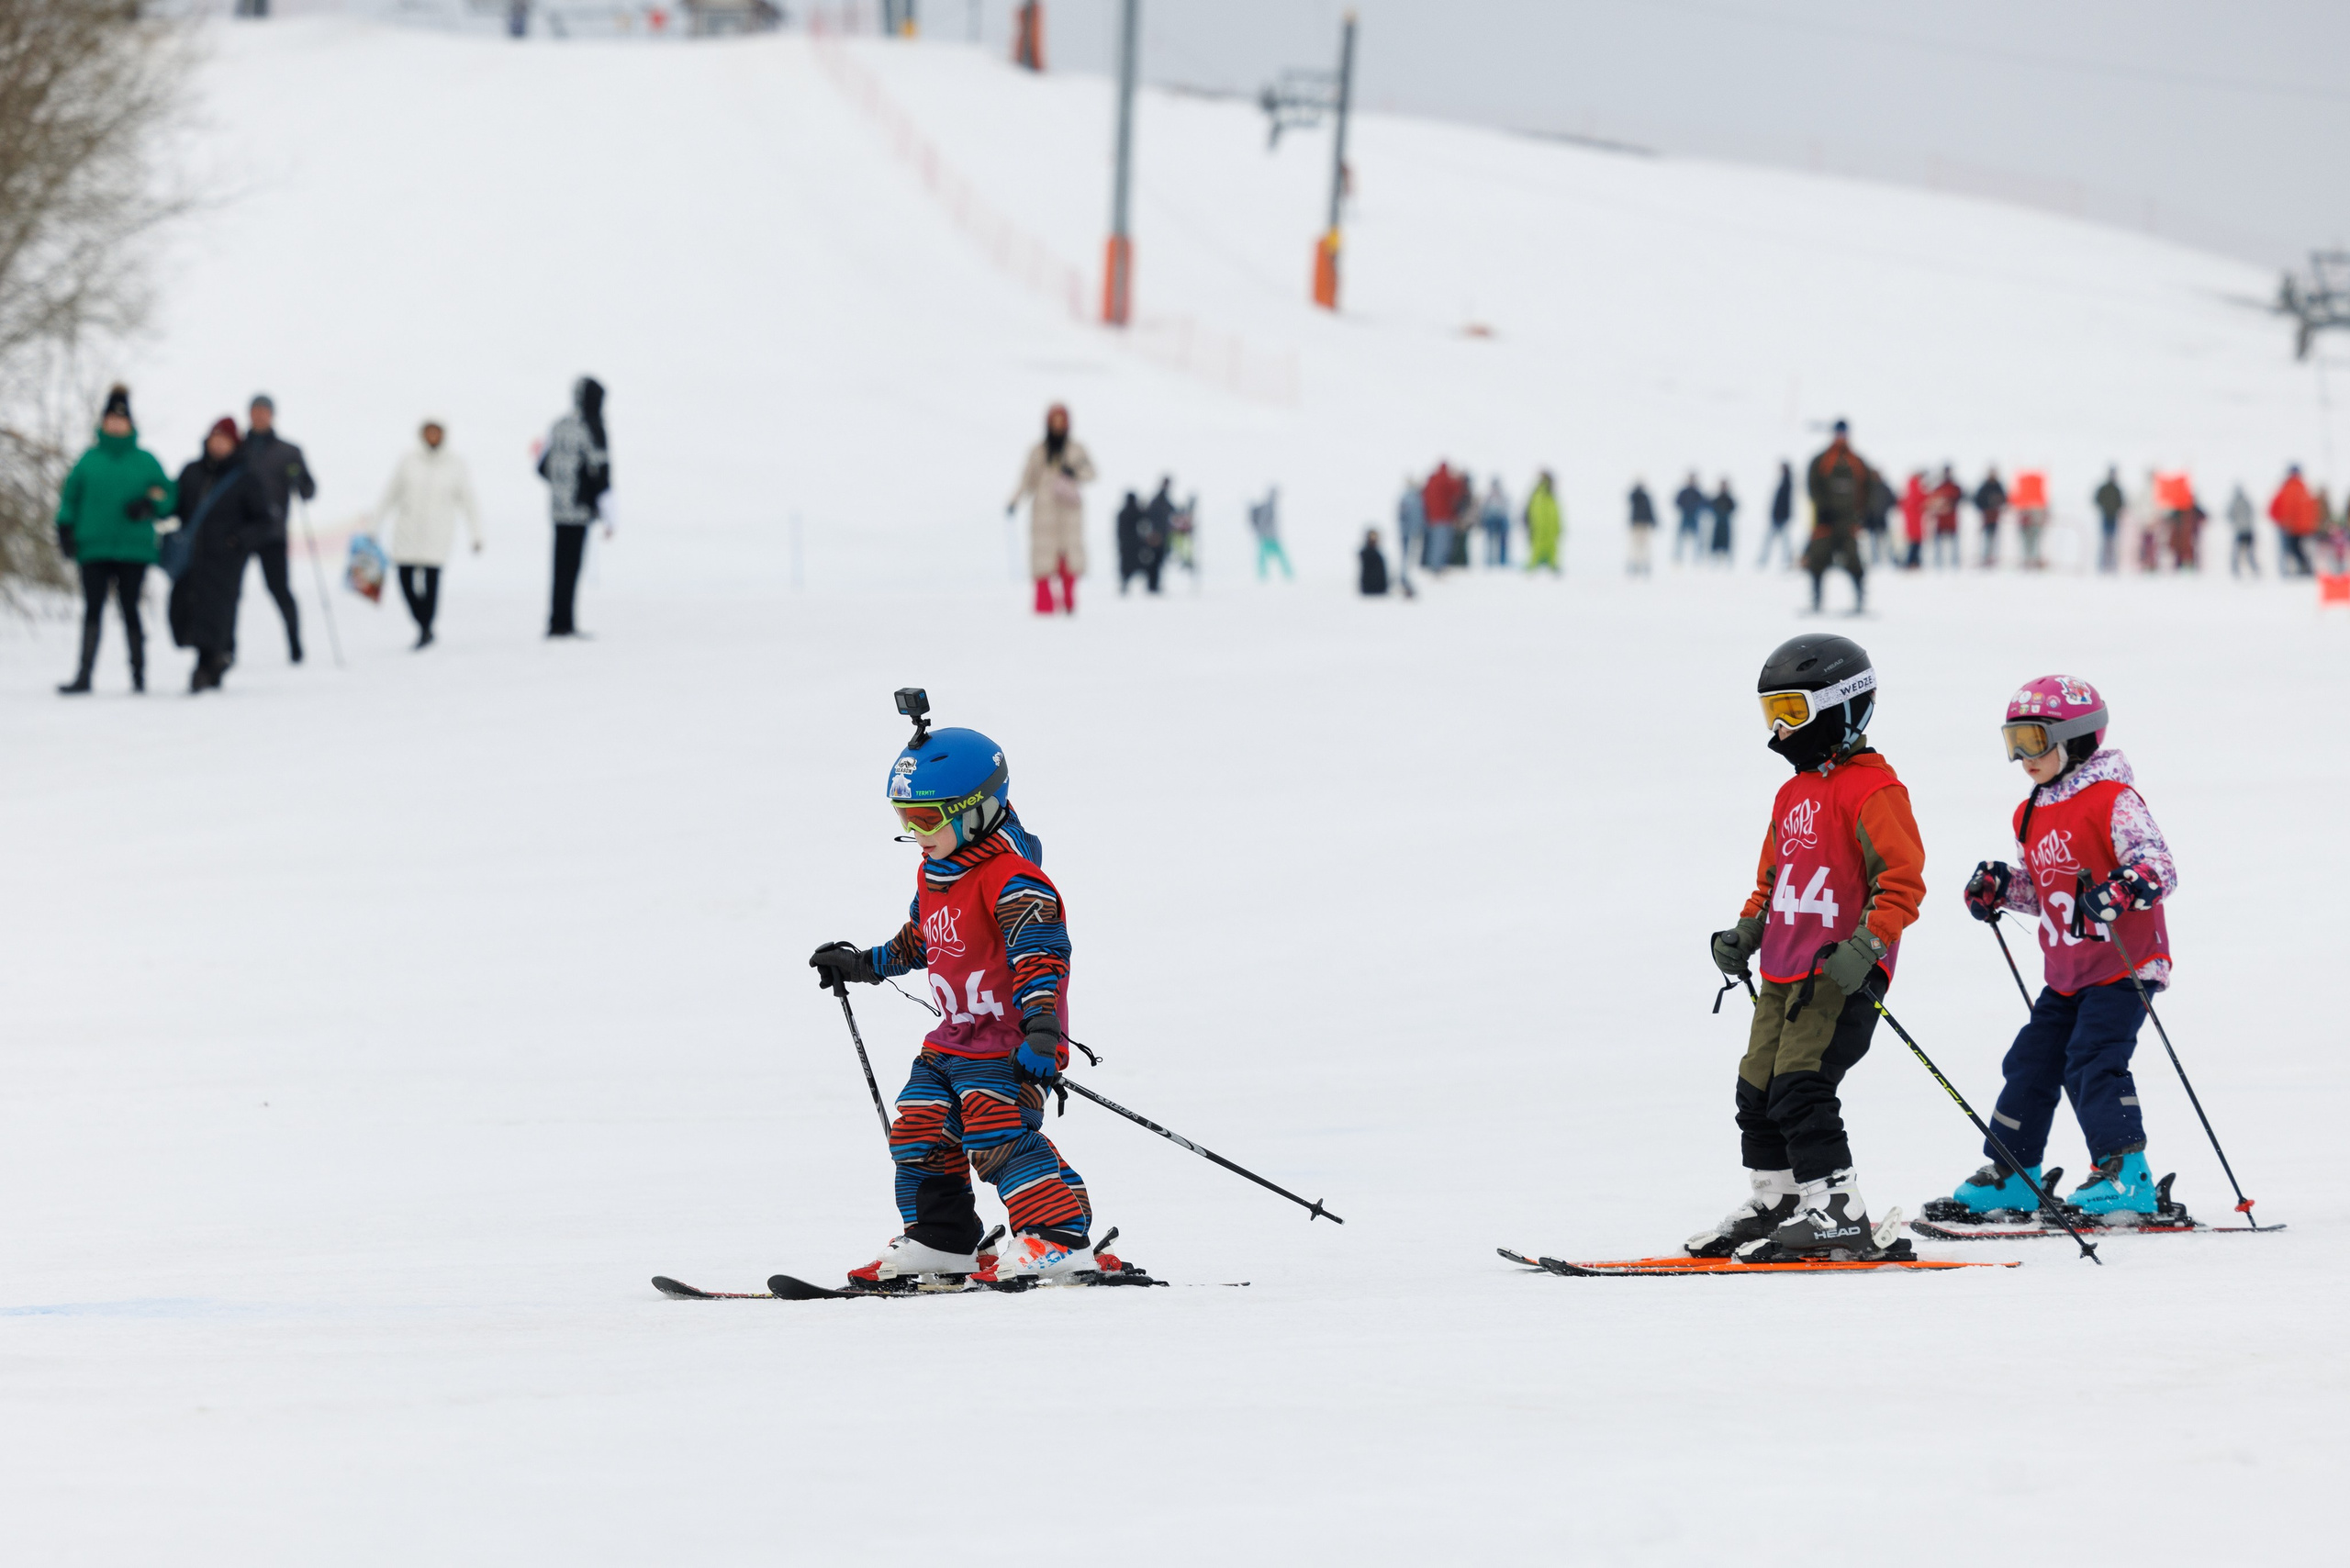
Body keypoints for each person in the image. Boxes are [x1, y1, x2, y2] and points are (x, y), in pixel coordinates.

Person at [808, 708, 1100, 1287]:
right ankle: (941, 1241)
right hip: (951, 1044)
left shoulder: (1013, 880)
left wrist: (1042, 1029)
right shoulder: (935, 874)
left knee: (996, 1135)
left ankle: (1059, 1238)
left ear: (977, 810)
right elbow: (923, 940)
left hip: (1011, 1045)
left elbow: (1041, 955)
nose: (916, 833)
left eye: (926, 817)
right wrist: (863, 965)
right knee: (918, 1129)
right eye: (905, 817)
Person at [1695, 634, 1925, 1260]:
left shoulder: (1874, 791)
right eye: (1771, 712)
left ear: (1842, 705)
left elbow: (1901, 882)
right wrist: (1747, 931)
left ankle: (1840, 1211)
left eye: (1793, 711)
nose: (1779, 728)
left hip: (1838, 973)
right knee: (1757, 1088)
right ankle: (1781, 1198)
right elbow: (1773, 883)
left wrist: (1868, 945)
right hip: (1783, 968)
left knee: (1801, 1086)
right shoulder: (1792, 793)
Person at [1948, 677, 2177, 1220]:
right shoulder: (2029, 812)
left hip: (2124, 965)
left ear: (2075, 739)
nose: (2022, 757)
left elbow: (2160, 866)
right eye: (2013, 742)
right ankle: (2014, 1174)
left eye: (2033, 740)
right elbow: (2045, 890)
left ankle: (2126, 1176)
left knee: (2093, 1060)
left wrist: (2123, 888)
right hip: (2068, 971)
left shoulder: (2114, 800)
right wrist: (2004, 887)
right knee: (2030, 1062)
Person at [55, 385, 174, 695]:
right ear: (103, 423)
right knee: (92, 608)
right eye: (111, 420)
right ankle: (84, 675)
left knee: (130, 607)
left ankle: (138, 675)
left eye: (121, 420)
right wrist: (65, 528)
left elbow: (169, 496)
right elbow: (70, 498)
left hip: (134, 549)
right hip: (93, 547)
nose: (116, 425)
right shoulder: (88, 460)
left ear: (130, 424)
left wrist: (150, 504)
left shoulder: (145, 461)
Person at [167, 416, 273, 693]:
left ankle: (206, 666)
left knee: (217, 611)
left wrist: (238, 540)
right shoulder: (191, 472)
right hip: (191, 558)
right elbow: (174, 505)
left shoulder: (246, 477)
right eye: (215, 439)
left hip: (226, 560)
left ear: (234, 444)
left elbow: (264, 520)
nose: (218, 445)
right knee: (184, 607)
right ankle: (218, 658)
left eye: (224, 440)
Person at [375, 420, 483, 649]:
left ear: (443, 434)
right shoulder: (408, 461)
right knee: (405, 579)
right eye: (428, 432)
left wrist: (477, 534)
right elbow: (389, 494)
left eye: (436, 432)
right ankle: (422, 622)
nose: (432, 436)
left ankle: (426, 628)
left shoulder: (455, 464)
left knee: (431, 582)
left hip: (438, 532)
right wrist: (374, 526)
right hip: (407, 531)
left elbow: (469, 501)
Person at [239, 394, 315, 664]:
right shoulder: (237, 448)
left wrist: (299, 478)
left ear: (272, 415)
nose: (259, 416)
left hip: (273, 532)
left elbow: (308, 491)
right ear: (249, 414)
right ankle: (226, 648)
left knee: (279, 590)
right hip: (239, 533)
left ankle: (295, 645)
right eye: (255, 411)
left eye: (264, 411)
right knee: (230, 592)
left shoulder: (289, 452)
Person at [538, 376, 610, 636]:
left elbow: (542, 466)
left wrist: (561, 487)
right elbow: (601, 471)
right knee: (572, 567)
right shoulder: (592, 427)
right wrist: (599, 505)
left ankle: (557, 621)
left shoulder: (558, 425)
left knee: (559, 567)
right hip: (579, 510)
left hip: (558, 509)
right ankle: (564, 623)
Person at [1007, 403, 1091, 614]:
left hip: (1069, 511)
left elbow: (1090, 472)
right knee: (1043, 560)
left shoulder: (1076, 449)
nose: (1058, 426)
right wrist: (1014, 501)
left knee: (1068, 558)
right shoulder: (1038, 451)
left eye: (1062, 421)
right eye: (1054, 421)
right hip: (1044, 512)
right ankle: (1044, 606)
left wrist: (1073, 472)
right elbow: (1027, 480)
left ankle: (1069, 602)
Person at [1802, 420, 1873, 613]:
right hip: (1826, 521)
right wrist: (1821, 510)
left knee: (1854, 561)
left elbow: (1868, 488)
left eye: (1844, 433)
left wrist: (1864, 514)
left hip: (1848, 522)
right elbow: (1812, 486)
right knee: (1818, 559)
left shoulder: (1857, 462)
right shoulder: (1822, 460)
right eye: (1838, 433)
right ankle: (1816, 601)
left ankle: (1860, 601)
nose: (1841, 437)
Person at [2267, 465, 2317, 577]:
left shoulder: (2286, 489)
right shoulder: (2304, 488)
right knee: (2299, 550)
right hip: (2303, 528)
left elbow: (2273, 509)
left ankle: (2295, 570)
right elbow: (2311, 509)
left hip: (2291, 527)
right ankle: (2304, 568)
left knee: (2291, 550)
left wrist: (2280, 521)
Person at [1421, 463, 1461, 574]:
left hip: (1432, 518)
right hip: (1443, 518)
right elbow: (1457, 491)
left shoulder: (1431, 481)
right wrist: (1457, 477)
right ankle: (1437, 567)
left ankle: (1435, 566)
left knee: (1435, 543)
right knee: (1442, 544)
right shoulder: (1445, 479)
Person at [1249, 485, 1292, 580]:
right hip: (1269, 537)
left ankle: (1265, 576)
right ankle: (1265, 576)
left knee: (1266, 558)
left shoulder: (1270, 505)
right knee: (1276, 557)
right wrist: (1263, 533)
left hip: (1268, 536)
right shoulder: (1269, 506)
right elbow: (1263, 521)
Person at [2009, 470, 2050, 570]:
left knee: (2033, 543)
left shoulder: (2032, 497)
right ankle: (2029, 560)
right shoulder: (2027, 498)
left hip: (2034, 524)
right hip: (2028, 524)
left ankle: (2032, 560)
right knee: (2030, 543)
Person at [1758, 461, 1795, 568]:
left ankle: (1784, 560)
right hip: (1779, 516)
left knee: (1779, 540)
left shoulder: (1787, 482)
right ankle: (1766, 560)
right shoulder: (1785, 481)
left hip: (1780, 517)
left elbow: (1785, 502)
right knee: (1776, 540)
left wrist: (1781, 515)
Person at [1524, 470, 1561, 574]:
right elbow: (1533, 511)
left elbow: (1556, 512)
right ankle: (1533, 566)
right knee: (1539, 546)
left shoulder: (1549, 494)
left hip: (1549, 527)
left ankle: (1551, 565)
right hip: (1540, 527)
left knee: (1550, 546)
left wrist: (1558, 526)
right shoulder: (1541, 493)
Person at [1140, 477, 1174, 593]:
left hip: (1159, 535)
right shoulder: (1160, 500)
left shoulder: (1160, 499)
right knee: (1156, 562)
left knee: (1156, 562)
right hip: (1157, 536)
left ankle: (1153, 585)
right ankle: (1152, 585)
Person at [1928, 465, 1963, 569]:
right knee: (1939, 543)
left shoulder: (1955, 487)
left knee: (1954, 544)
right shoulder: (1939, 488)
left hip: (1951, 521)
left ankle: (1955, 563)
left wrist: (1949, 503)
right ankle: (1938, 562)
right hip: (1941, 521)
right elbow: (1932, 501)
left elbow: (1960, 498)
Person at [1974, 465, 2008, 569]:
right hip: (1986, 516)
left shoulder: (1998, 486)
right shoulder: (1985, 486)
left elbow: (2004, 499)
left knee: (1994, 537)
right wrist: (1986, 506)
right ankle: (1985, 557)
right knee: (1986, 536)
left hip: (1995, 516)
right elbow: (1978, 499)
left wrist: (1998, 503)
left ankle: (1993, 557)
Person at [2094, 467, 2126, 573]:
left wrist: (2117, 510)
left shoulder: (2116, 489)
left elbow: (2121, 503)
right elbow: (2097, 499)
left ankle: (2112, 565)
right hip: (2105, 517)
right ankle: (2103, 565)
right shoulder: (2104, 488)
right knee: (2105, 541)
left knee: (2112, 541)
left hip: (2114, 518)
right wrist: (2104, 507)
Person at [1114, 491, 1147, 594]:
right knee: (1137, 564)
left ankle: (1125, 583)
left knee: (1125, 566)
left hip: (1124, 544)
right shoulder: (1135, 512)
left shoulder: (1122, 513)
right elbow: (1144, 517)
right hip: (1134, 544)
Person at [1673, 472, 1707, 565]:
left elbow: (1704, 504)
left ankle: (1697, 558)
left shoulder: (1697, 493)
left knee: (1697, 539)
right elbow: (1677, 502)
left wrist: (1696, 507)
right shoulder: (1684, 492)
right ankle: (1678, 557)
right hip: (1685, 516)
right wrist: (1685, 507)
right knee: (1680, 538)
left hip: (1694, 517)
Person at [1395, 476, 1426, 577]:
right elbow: (1415, 516)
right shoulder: (1415, 499)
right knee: (1410, 553)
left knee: (1408, 553)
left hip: (1407, 530)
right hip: (1411, 530)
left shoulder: (1409, 497)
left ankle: (1406, 572)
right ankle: (1406, 573)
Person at [2226, 484, 2257, 577]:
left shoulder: (2234, 503)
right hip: (2248, 530)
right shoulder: (2246, 501)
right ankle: (2255, 569)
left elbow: (2228, 515)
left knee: (2237, 553)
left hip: (2240, 531)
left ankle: (2235, 570)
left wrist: (2235, 522)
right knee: (2249, 553)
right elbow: (2252, 513)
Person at [1897, 471, 1926, 569]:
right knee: (1915, 544)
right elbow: (1922, 499)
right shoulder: (1916, 488)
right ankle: (1912, 562)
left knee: (1913, 543)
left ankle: (1914, 562)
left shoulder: (1909, 490)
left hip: (1912, 521)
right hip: (1915, 521)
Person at [1627, 478, 1656, 575]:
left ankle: (1645, 564)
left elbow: (1650, 510)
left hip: (1645, 525)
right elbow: (1631, 498)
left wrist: (1653, 521)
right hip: (1636, 525)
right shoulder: (1636, 496)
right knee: (1635, 545)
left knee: (1645, 546)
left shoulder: (1646, 497)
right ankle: (1635, 564)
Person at [1479, 476, 1510, 567]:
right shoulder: (1488, 497)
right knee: (1490, 541)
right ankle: (1489, 561)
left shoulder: (1503, 496)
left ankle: (1502, 561)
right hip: (1491, 520)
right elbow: (1484, 510)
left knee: (1502, 542)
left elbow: (1506, 509)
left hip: (1501, 520)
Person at [1708, 477, 1737, 563]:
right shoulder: (1717, 497)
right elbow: (1712, 506)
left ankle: (1727, 559)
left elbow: (1733, 507)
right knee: (1716, 540)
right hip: (1718, 521)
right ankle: (1714, 558)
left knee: (1726, 541)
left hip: (1725, 521)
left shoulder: (1729, 498)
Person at [1358, 526, 1390, 596]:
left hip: (1379, 592)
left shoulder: (1378, 555)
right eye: (1372, 538)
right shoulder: (1367, 554)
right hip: (1370, 592)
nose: (1374, 540)